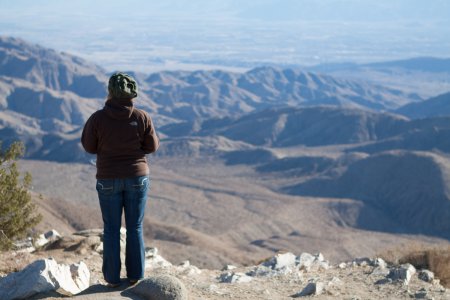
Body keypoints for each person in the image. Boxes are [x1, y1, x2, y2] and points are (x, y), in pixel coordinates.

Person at [81, 72, 159, 287]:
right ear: (133, 93)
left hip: (107, 178)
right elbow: (152, 147)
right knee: (135, 227)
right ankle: (136, 276)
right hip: (137, 177)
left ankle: (112, 279)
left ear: (110, 92)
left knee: (111, 229)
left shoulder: (97, 118)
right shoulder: (141, 117)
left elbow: (89, 147)